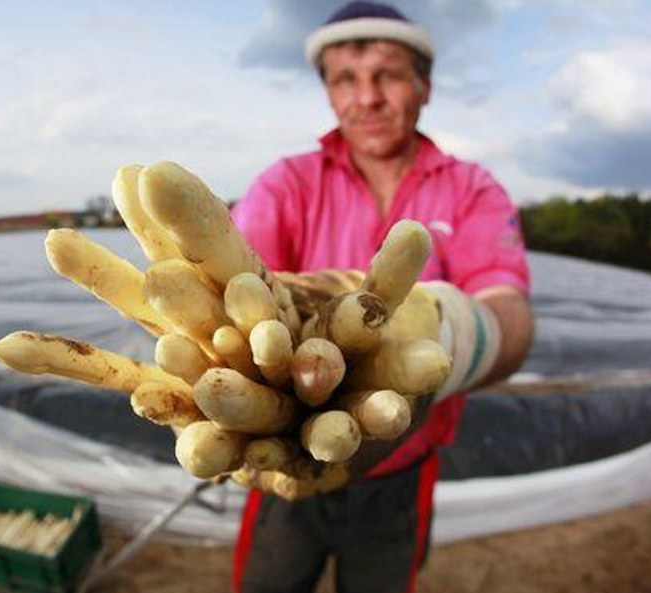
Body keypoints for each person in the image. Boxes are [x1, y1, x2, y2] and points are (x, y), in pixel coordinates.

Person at [229, 3, 534, 592]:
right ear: (327, 91)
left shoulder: (472, 190)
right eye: (345, 78)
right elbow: (237, 298)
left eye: (388, 75)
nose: (366, 98)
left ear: (424, 84)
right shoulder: (285, 184)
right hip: (288, 465)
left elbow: (510, 311)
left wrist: (447, 338)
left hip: (400, 471)